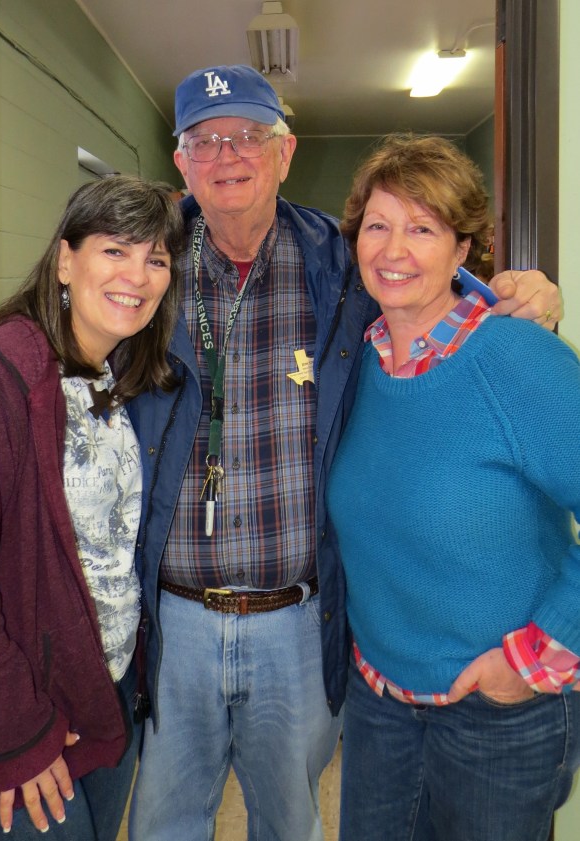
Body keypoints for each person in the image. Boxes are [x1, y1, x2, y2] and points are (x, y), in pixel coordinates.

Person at [123, 65, 562, 841]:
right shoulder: (145, 266)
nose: (230, 154)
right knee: (164, 821)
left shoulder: (335, 262)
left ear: (285, 153)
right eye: (206, 140)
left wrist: (511, 293)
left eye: (251, 136)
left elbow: (416, 273)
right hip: (180, 617)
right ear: (180, 159)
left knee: (290, 822)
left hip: (297, 618)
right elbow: (73, 315)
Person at [327, 133, 580, 841]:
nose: (394, 249)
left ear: (463, 249)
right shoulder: (360, 359)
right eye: (378, 225)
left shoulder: (517, 357)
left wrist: (532, 659)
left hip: (499, 715)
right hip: (378, 707)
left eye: (423, 228)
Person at [0, 175, 183, 840]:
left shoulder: (122, 377)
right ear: (66, 259)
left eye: (156, 258)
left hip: (106, 695)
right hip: (23, 713)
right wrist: (16, 728)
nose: (138, 275)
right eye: (116, 250)